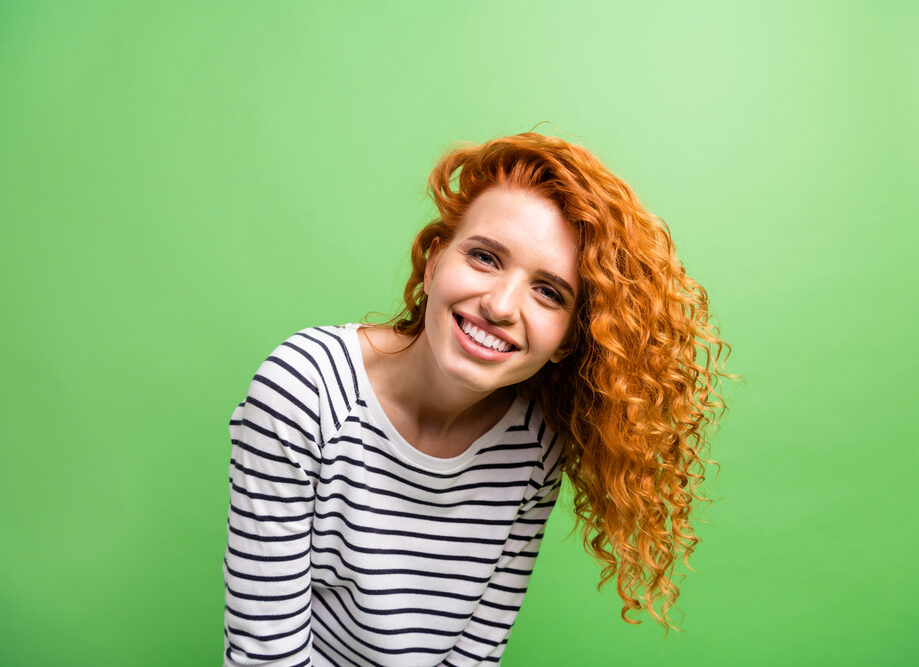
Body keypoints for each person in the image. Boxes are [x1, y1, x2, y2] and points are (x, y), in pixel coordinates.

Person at [223, 132, 733, 666]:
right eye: (485, 257)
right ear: (434, 262)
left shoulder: (536, 445)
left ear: (568, 341)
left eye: (549, 292)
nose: (501, 304)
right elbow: (264, 657)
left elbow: (474, 655)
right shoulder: (305, 389)